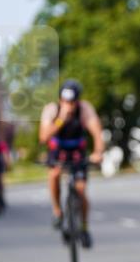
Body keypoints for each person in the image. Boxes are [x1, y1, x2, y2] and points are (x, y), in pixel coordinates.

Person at [39, 79, 105, 248]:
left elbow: (97, 133)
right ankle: (57, 211)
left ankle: (83, 228)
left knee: (81, 189)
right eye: (65, 101)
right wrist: (61, 119)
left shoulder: (85, 109)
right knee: (53, 174)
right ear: (60, 99)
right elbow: (44, 137)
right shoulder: (51, 110)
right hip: (58, 151)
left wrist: (98, 153)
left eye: (72, 102)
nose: (69, 105)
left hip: (77, 151)